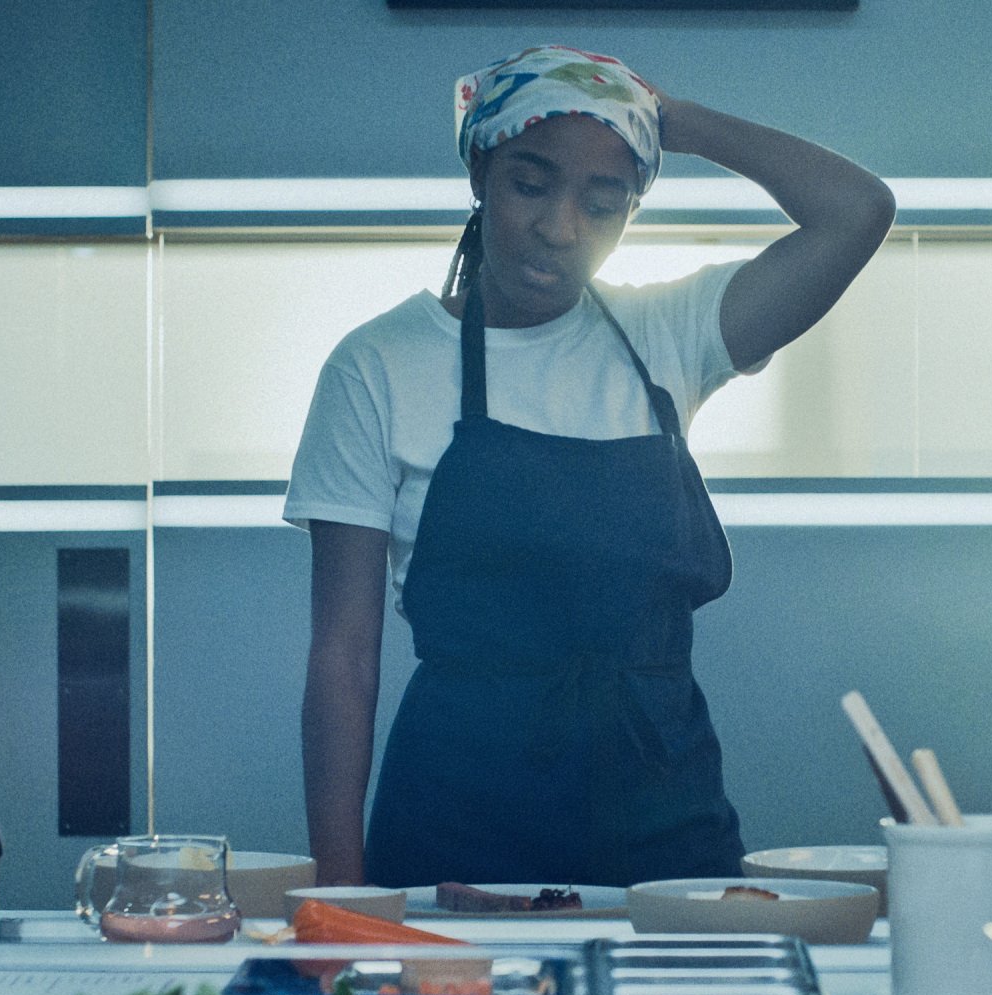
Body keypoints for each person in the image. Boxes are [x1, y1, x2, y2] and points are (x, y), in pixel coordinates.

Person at [284, 45, 894, 888]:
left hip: (663, 813)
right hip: (456, 821)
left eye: (603, 202)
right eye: (531, 183)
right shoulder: (378, 364)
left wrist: (671, 120)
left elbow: (857, 211)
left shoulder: (669, 332)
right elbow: (343, 657)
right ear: (480, 174)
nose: (560, 227)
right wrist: (339, 891)